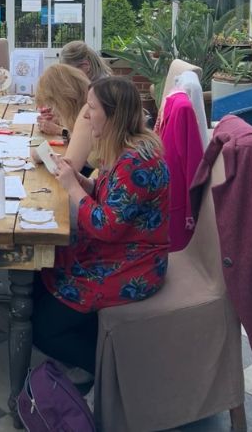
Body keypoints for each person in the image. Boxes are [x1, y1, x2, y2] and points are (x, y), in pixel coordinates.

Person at [31, 77, 173, 385]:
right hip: (122, 251)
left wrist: (72, 188)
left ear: (113, 115)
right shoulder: (126, 148)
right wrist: (87, 184)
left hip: (133, 265)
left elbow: (105, 227)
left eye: (91, 108)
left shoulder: (138, 163)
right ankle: (89, 333)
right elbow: (116, 199)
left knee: (40, 330)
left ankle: (119, 375)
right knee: (41, 276)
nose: (85, 115)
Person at [0, 63, 97, 303]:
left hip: (92, 203)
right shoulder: (86, 109)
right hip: (96, 191)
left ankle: (17, 281)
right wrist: (60, 128)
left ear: (61, 96)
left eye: (52, 103)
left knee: (23, 207)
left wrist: (40, 154)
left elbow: (68, 167)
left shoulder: (85, 115)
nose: (50, 108)